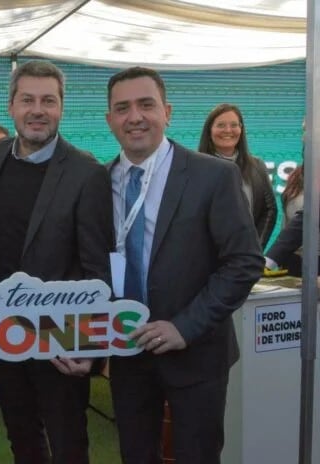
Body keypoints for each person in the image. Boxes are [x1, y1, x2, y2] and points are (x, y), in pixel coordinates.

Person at [105, 67, 263, 464]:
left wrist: (184, 327)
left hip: (196, 353)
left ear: (168, 111)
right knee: (136, 455)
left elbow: (243, 262)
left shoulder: (214, 175)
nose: (135, 117)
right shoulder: (98, 181)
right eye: (122, 108)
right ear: (110, 120)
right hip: (127, 353)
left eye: (146, 104)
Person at [0, 60, 114, 464]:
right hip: (4, 332)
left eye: (48, 101)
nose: (37, 110)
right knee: (22, 439)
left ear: (61, 108)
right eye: (28, 100)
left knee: (68, 442)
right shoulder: (0, 153)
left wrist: (91, 345)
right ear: (11, 106)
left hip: (60, 337)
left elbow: (98, 267)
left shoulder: (87, 172)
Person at [198, 103, 277, 248]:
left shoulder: (257, 166)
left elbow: (269, 210)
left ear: (241, 129)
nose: (228, 130)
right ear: (209, 130)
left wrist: (255, 249)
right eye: (221, 125)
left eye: (234, 125)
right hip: (205, 260)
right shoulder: (196, 166)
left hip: (246, 258)